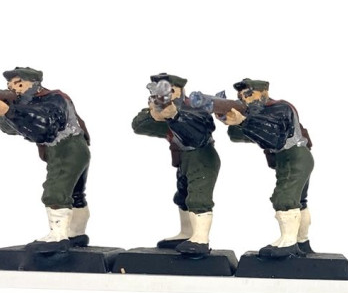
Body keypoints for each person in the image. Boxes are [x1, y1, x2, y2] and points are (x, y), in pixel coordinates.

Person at [0, 67, 91, 250]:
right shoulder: (27, 102)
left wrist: (10, 111)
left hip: (67, 148)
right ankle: (75, 234)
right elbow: (11, 129)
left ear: (34, 84)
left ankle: (58, 237)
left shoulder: (54, 99)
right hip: (68, 149)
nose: (13, 88)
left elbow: (44, 127)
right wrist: (4, 112)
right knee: (75, 194)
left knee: (56, 191)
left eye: (19, 84)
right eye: (10, 85)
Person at [220, 78, 314, 257]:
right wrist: (233, 122)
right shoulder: (256, 113)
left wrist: (244, 122)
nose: (245, 99)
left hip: (295, 155)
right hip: (286, 158)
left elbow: (274, 138)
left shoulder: (280, 109)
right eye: (241, 97)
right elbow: (240, 136)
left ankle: (289, 242)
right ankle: (301, 242)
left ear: (264, 92)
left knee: (285, 198)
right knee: (299, 201)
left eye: (249, 94)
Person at [131, 73, 221, 256]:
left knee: (198, 198)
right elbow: (138, 126)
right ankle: (187, 233)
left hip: (201, 157)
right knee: (183, 196)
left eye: (171, 90)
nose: (166, 95)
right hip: (183, 158)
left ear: (180, 91)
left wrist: (176, 117)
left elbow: (198, 136)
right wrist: (153, 114)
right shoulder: (161, 109)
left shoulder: (195, 109)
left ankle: (201, 239)